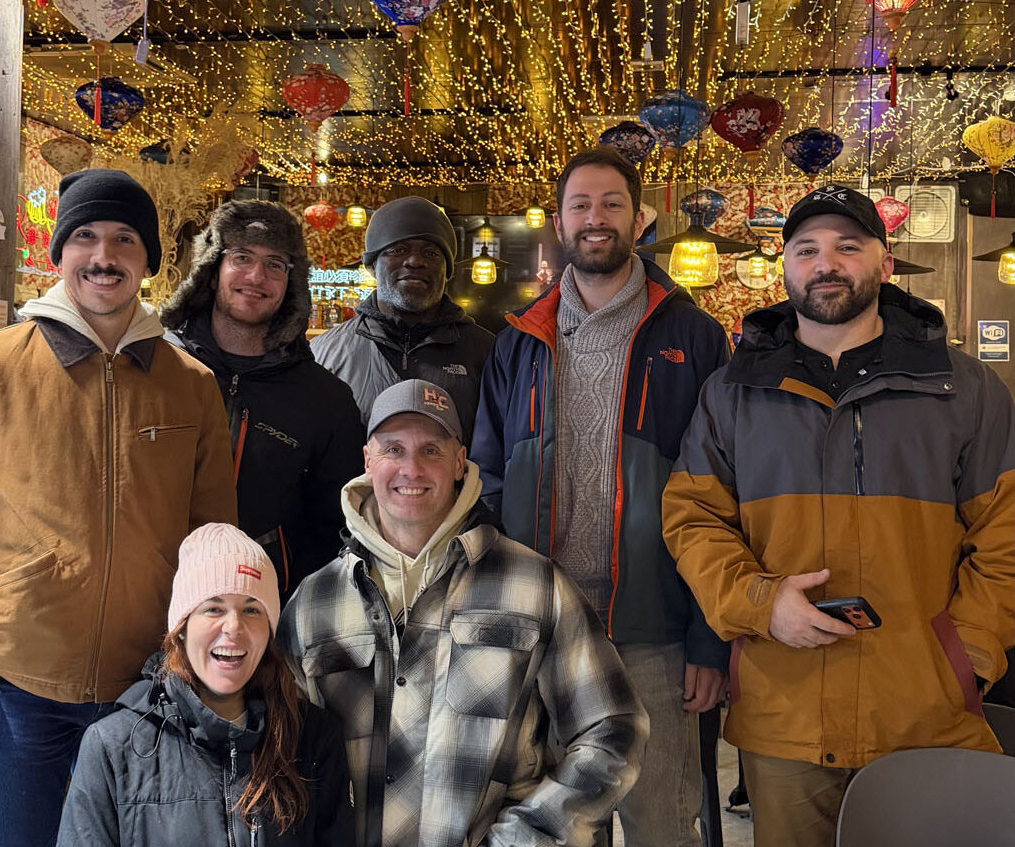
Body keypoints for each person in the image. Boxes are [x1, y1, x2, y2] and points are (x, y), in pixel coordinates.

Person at [0, 168, 238, 847]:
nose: (103, 256)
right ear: (59, 254)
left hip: (148, 690)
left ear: (148, 262)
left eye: (123, 239)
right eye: (83, 236)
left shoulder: (190, 385)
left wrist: (205, 660)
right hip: (16, 690)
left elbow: (212, 540)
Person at [663, 184, 1015, 847]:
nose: (825, 263)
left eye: (847, 247)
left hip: (925, 713)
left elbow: (1006, 532)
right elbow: (693, 520)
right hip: (785, 716)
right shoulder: (732, 393)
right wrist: (758, 603)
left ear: (883, 264)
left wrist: (962, 656)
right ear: (784, 266)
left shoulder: (962, 388)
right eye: (806, 249)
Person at [470, 146, 731, 847]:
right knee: (555, 827)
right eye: (579, 205)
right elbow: (486, 481)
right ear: (557, 221)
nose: (595, 218)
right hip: (544, 630)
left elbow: (724, 497)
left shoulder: (694, 336)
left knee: (663, 824)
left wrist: (710, 640)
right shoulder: (519, 341)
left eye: (611, 203)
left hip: (657, 630)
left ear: (638, 218)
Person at [278, 379, 647, 847]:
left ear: (459, 462)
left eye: (431, 450)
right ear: (368, 461)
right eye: (393, 449)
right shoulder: (316, 602)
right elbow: (281, 754)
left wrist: (529, 838)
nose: (411, 468)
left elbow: (613, 728)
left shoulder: (535, 586)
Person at [57, 523, 354, 846]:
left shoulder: (313, 737)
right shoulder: (113, 747)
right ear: (181, 628)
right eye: (214, 608)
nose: (234, 626)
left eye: (252, 609)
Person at [162, 200, 365, 596]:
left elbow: (336, 529)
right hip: (156, 596)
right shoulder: (159, 370)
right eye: (242, 257)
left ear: (292, 281)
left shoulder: (326, 399)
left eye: (275, 263)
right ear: (212, 269)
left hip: (268, 611)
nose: (257, 276)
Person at [310, 196, 494, 443]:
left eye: (431, 253)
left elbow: (499, 455)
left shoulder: (489, 355)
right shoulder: (323, 355)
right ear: (372, 266)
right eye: (398, 250)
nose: (415, 261)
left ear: (447, 272)